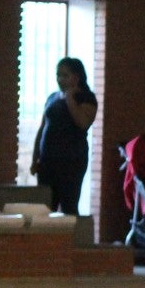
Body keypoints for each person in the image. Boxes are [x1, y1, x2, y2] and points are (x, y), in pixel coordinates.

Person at [31, 57, 98, 215]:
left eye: (65, 75)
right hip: (47, 163)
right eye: (58, 75)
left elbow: (82, 122)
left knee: (69, 207)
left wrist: (70, 98)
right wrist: (35, 158)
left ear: (76, 77)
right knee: (45, 208)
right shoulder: (52, 97)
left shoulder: (86, 98)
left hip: (71, 164)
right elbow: (43, 128)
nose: (60, 79)